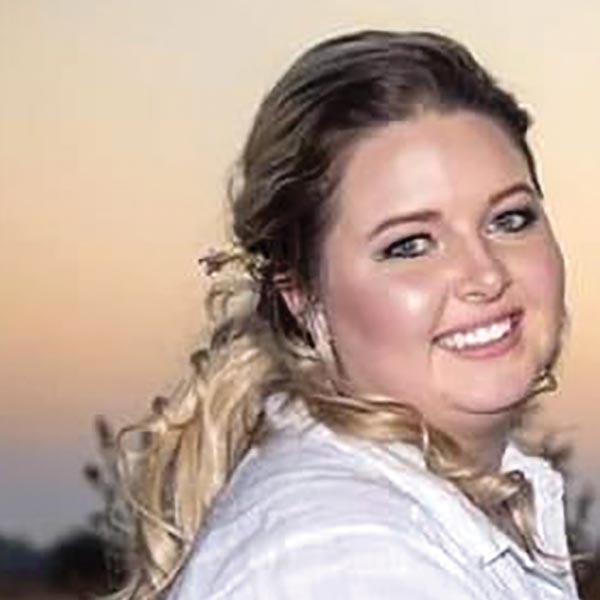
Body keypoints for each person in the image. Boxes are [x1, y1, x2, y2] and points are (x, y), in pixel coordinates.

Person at [115, 30, 580, 599]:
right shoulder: (349, 564)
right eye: (410, 245)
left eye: (509, 219)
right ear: (302, 295)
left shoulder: (430, 515)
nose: (486, 275)